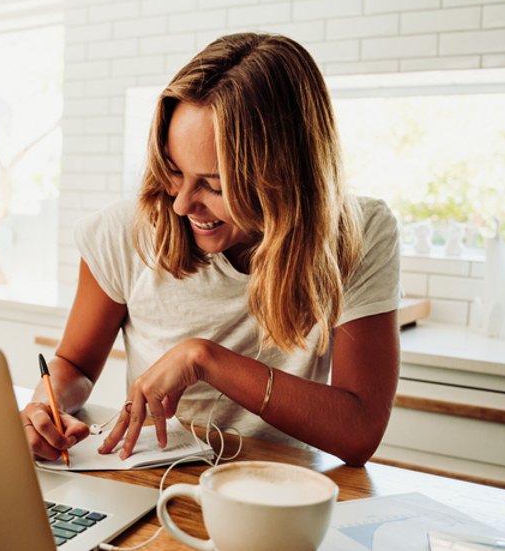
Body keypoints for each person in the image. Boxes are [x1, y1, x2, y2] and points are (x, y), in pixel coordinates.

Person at [21, 32, 400, 466]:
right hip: (149, 481)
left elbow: (359, 432)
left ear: (286, 177)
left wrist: (205, 359)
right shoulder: (122, 233)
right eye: (173, 170)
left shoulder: (358, 233)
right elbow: (75, 365)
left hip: (280, 495)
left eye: (214, 186)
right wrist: (44, 408)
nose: (182, 204)